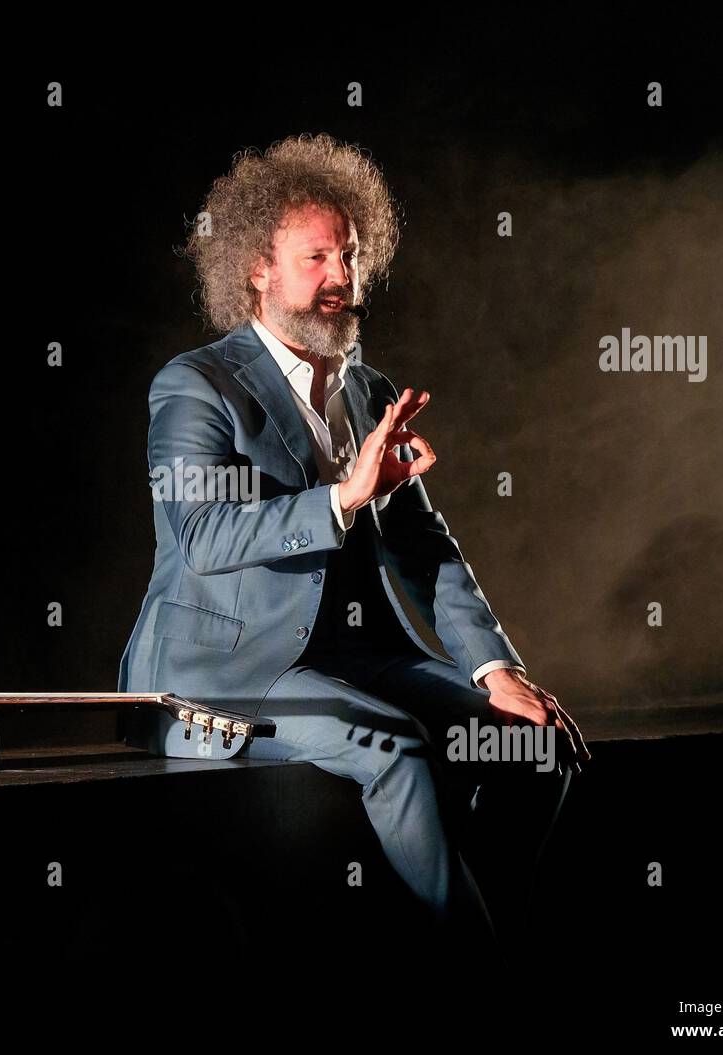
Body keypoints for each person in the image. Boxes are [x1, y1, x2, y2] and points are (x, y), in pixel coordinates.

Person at [118, 133, 590, 964]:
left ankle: (478, 936)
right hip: (226, 671)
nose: (343, 278)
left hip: (350, 653)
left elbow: (422, 544)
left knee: (536, 743)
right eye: (318, 257)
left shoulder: (367, 388)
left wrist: (494, 668)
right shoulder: (196, 385)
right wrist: (343, 497)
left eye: (352, 255)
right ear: (256, 269)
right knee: (395, 747)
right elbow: (199, 536)